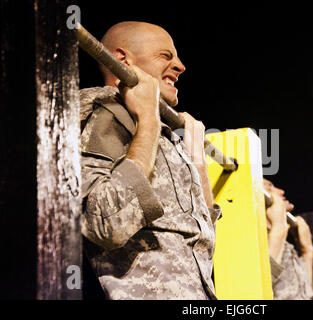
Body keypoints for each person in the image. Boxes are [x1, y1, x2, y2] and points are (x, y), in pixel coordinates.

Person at [79, 21, 221, 300]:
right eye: (165, 56)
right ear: (122, 59)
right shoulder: (100, 108)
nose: (180, 66)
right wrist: (146, 119)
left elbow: (204, 242)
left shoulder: (166, 134)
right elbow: (107, 223)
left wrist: (198, 164)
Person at [263, 179, 313, 300]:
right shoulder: (256, 240)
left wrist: (308, 251)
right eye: (269, 188)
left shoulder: (284, 244)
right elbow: (259, 285)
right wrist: (279, 226)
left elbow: (304, 294)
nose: (281, 191)